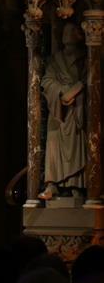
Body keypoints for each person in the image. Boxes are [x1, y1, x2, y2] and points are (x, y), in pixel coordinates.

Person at [40, 21, 87, 200]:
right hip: (59, 111)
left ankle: (77, 185)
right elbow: (46, 80)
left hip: (76, 110)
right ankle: (52, 185)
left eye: (71, 30)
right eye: (65, 31)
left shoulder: (85, 58)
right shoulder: (56, 59)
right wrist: (60, 91)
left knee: (77, 144)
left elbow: (90, 79)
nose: (67, 34)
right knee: (53, 143)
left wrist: (76, 88)